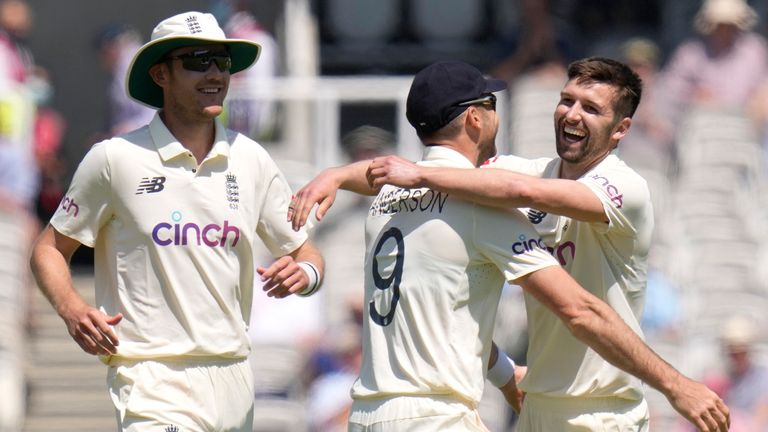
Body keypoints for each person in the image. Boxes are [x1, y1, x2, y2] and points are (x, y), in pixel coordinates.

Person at [289, 60, 729, 431]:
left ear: (621, 129)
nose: (572, 114)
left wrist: (676, 385)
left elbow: (510, 189)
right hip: (529, 407)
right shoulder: (503, 183)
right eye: (567, 100)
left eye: (591, 108)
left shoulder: (624, 187)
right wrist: (337, 176)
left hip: (602, 411)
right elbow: (457, 175)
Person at [28, 11, 324, 432]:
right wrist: (71, 307)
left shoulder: (251, 158)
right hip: (151, 376)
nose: (215, 74)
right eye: (198, 61)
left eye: (222, 62)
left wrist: (306, 274)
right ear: (161, 74)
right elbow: (49, 250)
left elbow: (305, 251)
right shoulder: (115, 159)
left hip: (233, 375)